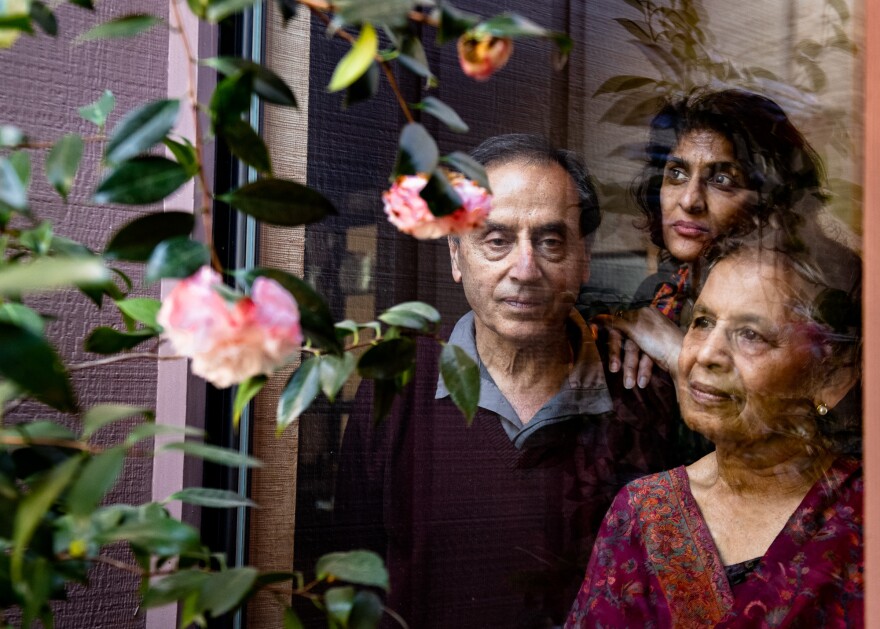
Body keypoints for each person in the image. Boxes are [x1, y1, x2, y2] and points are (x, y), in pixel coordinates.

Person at [332, 134, 681, 628]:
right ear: (456, 254)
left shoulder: (640, 394)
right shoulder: (397, 390)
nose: (525, 269)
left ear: (584, 257)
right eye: (496, 240)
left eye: (551, 241)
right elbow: (350, 582)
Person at [566, 233, 863, 627]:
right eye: (702, 322)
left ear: (832, 376)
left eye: (750, 334)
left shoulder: (860, 514)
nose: (705, 355)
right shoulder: (643, 513)